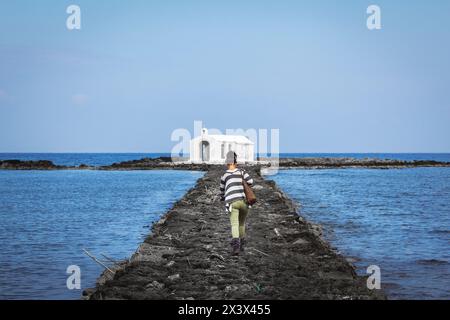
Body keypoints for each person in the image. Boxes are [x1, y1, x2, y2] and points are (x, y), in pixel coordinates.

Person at [220, 150, 254, 255]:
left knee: (234, 224)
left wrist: (223, 198)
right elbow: (251, 182)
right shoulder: (242, 171)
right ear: (235, 161)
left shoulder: (224, 176)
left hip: (232, 202)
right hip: (244, 202)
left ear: (227, 162)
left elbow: (222, 191)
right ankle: (242, 245)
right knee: (242, 224)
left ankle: (236, 248)